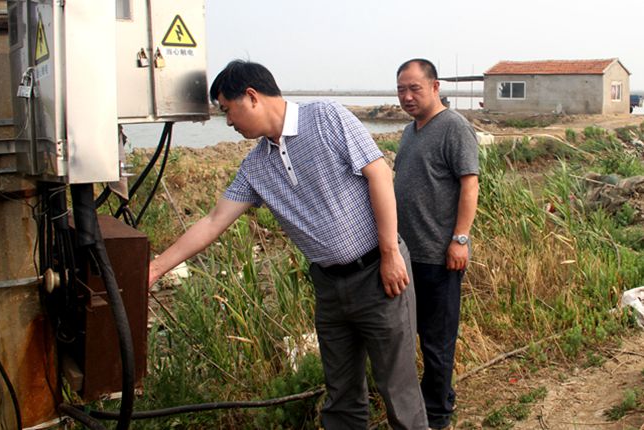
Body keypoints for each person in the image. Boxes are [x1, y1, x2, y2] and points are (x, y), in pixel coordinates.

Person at [149, 60, 427, 429]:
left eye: (227, 110)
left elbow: (378, 173)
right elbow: (214, 221)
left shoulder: (326, 117)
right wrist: (154, 269)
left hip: (379, 272)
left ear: (251, 96)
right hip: (329, 286)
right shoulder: (255, 166)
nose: (228, 122)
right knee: (341, 392)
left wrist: (390, 252)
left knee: (397, 387)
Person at [394, 59, 479, 430]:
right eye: (401, 89)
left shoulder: (454, 127)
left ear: (434, 86)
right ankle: (424, 403)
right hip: (406, 254)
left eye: (414, 88)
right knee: (407, 336)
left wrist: (460, 239)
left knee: (437, 340)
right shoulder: (410, 131)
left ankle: (439, 415)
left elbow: (470, 184)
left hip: (439, 255)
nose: (407, 96)